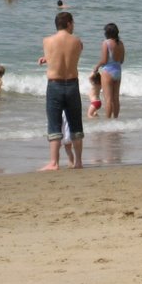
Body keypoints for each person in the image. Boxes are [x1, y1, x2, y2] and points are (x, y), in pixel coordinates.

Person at [38, 12, 84, 170]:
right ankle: (78, 162)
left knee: (54, 123)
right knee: (76, 123)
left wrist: (47, 59)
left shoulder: (47, 41)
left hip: (55, 84)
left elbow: (54, 56)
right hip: (72, 84)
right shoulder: (77, 41)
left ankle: (54, 162)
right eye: (73, 23)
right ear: (69, 23)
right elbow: (70, 55)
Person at [93, 22, 125, 119]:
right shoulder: (121, 43)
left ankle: (108, 122)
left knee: (108, 99)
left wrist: (96, 67)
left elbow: (104, 60)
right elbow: (122, 60)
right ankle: (115, 120)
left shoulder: (106, 43)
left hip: (108, 72)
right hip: (118, 71)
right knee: (116, 98)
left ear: (107, 33)